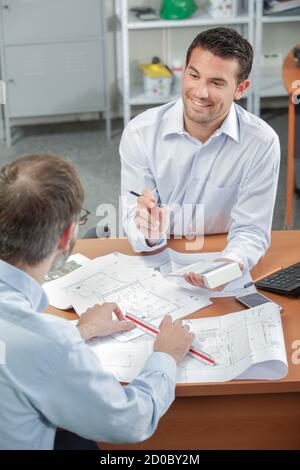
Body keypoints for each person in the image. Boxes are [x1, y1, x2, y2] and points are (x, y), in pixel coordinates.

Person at [0, 154, 194, 450]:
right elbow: (130, 421)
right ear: (66, 237)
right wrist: (165, 356)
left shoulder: (42, 341)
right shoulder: (49, 343)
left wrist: (81, 331)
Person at [120, 27, 280, 289]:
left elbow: (252, 230)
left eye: (216, 83)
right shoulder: (141, 133)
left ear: (240, 89)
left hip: (222, 255)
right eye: (194, 75)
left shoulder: (261, 143)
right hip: (159, 259)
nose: (200, 92)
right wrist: (149, 234)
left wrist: (227, 265)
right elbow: (132, 215)